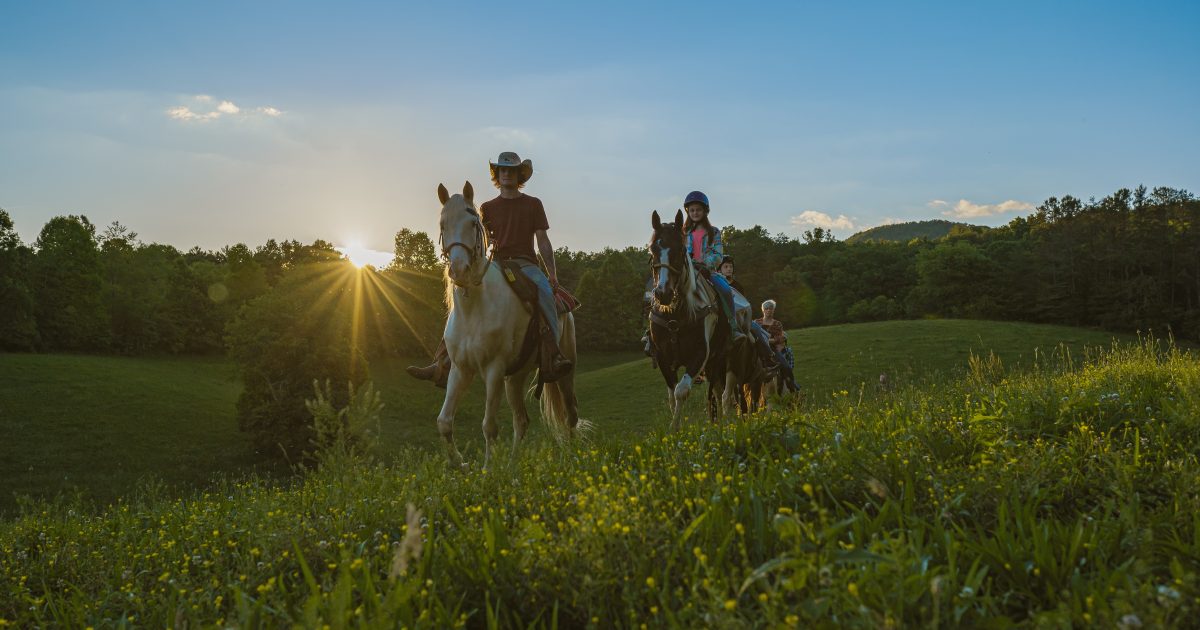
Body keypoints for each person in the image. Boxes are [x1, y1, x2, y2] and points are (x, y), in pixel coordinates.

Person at [407, 151, 573, 386]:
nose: (506, 174)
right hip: (496, 265)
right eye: (502, 170)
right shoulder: (486, 208)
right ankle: (441, 362)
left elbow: (543, 240)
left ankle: (553, 355)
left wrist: (552, 273)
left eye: (511, 170)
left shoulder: (533, 204)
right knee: (462, 301)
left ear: (519, 175)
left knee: (544, 292)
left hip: (525, 264)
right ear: (497, 174)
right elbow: (477, 240)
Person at [756, 299, 800, 392]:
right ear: (763, 310)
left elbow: (779, 339)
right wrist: (770, 340)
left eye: (770, 308)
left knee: (786, 366)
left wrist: (766, 341)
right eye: (766, 308)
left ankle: (792, 386)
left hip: (772, 350)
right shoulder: (756, 323)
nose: (768, 310)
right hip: (758, 349)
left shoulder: (777, 324)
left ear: (773, 310)